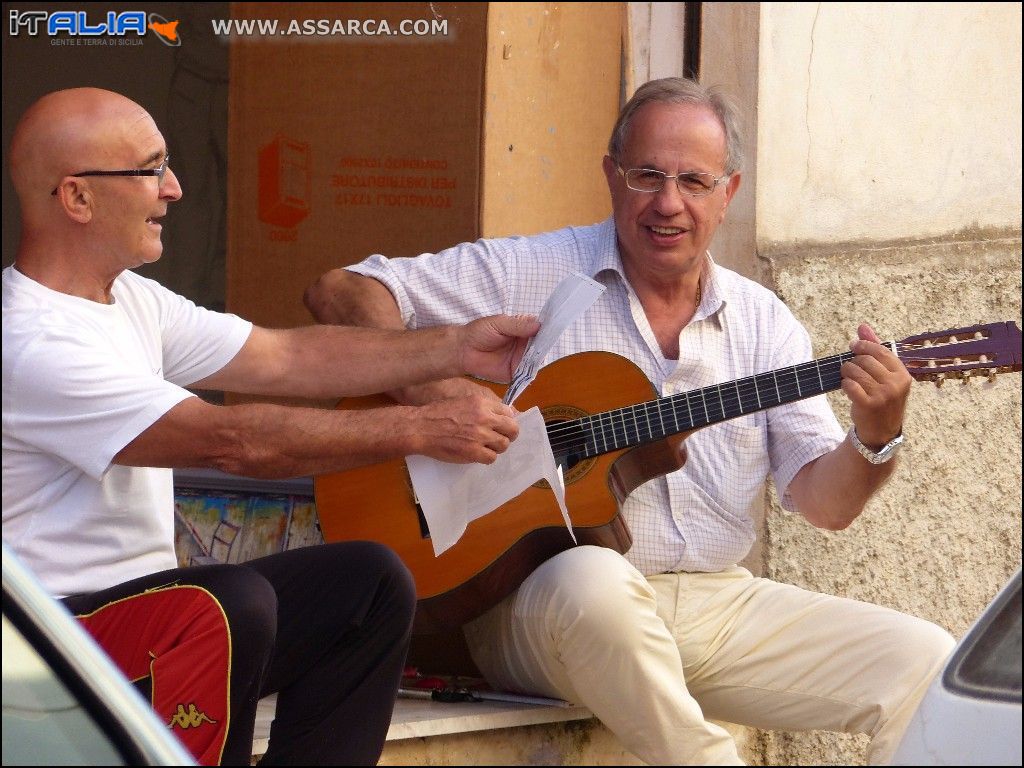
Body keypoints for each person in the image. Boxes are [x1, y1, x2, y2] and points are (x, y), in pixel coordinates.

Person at [303, 77, 957, 765]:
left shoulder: (764, 322)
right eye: (647, 176)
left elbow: (825, 504)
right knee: (598, 583)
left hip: (712, 605)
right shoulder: (535, 269)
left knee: (925, 662)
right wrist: (441, 401)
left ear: (727, 195)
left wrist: (876, 434)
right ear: (611, 177)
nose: (668, 204)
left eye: (694, 182)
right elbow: (342, 292)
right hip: (541, 602)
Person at [1, 87, 540, 767]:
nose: (173, 188)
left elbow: (287, 356)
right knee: (228, 604)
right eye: (149, 168)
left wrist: (456, 346)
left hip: (143, 624)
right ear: (76, 198)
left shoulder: (129, 299)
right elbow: (232, 441)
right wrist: (420, 427)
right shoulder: (27, 341)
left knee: (369, 582)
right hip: (44, 646)